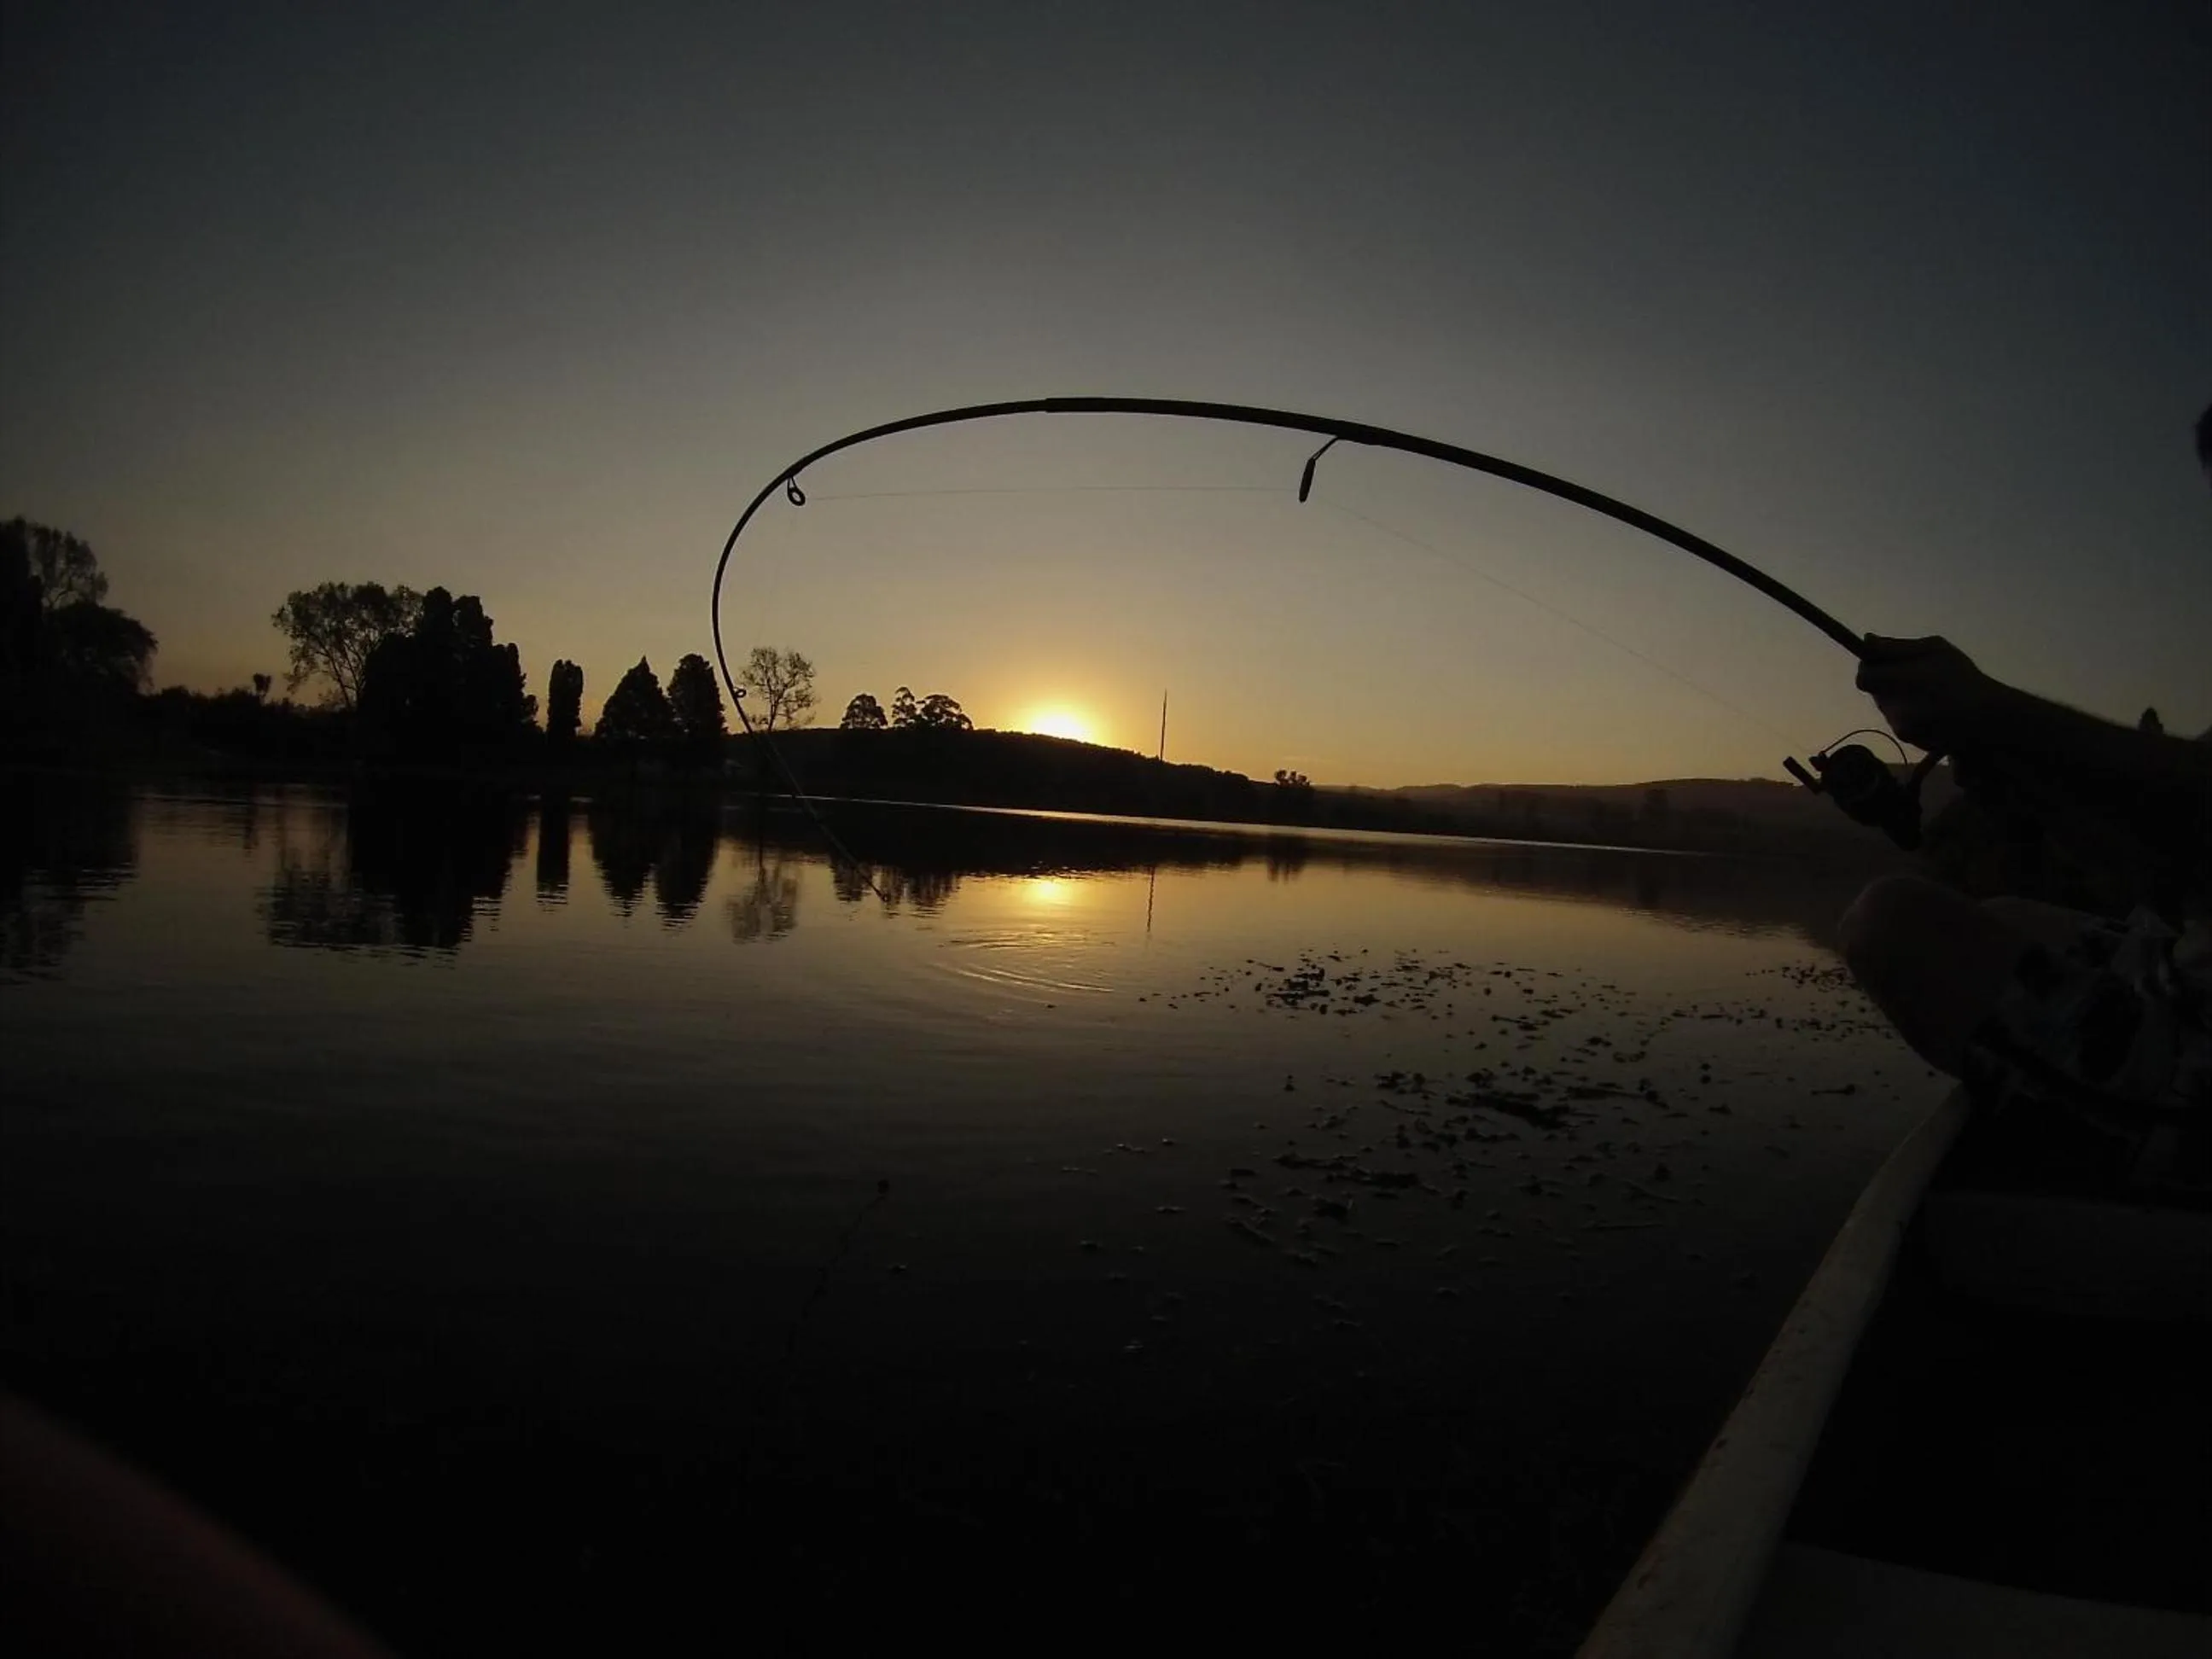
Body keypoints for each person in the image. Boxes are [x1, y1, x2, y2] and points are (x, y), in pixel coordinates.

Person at [1835, 405, 2212, 1154]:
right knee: (2008, 910)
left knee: (1886, 923)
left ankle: (2123, 1151)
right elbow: (2168, 879)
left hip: (2198, 1067)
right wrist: (2028, 783)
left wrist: (1994, 712)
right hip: (2180, 962)